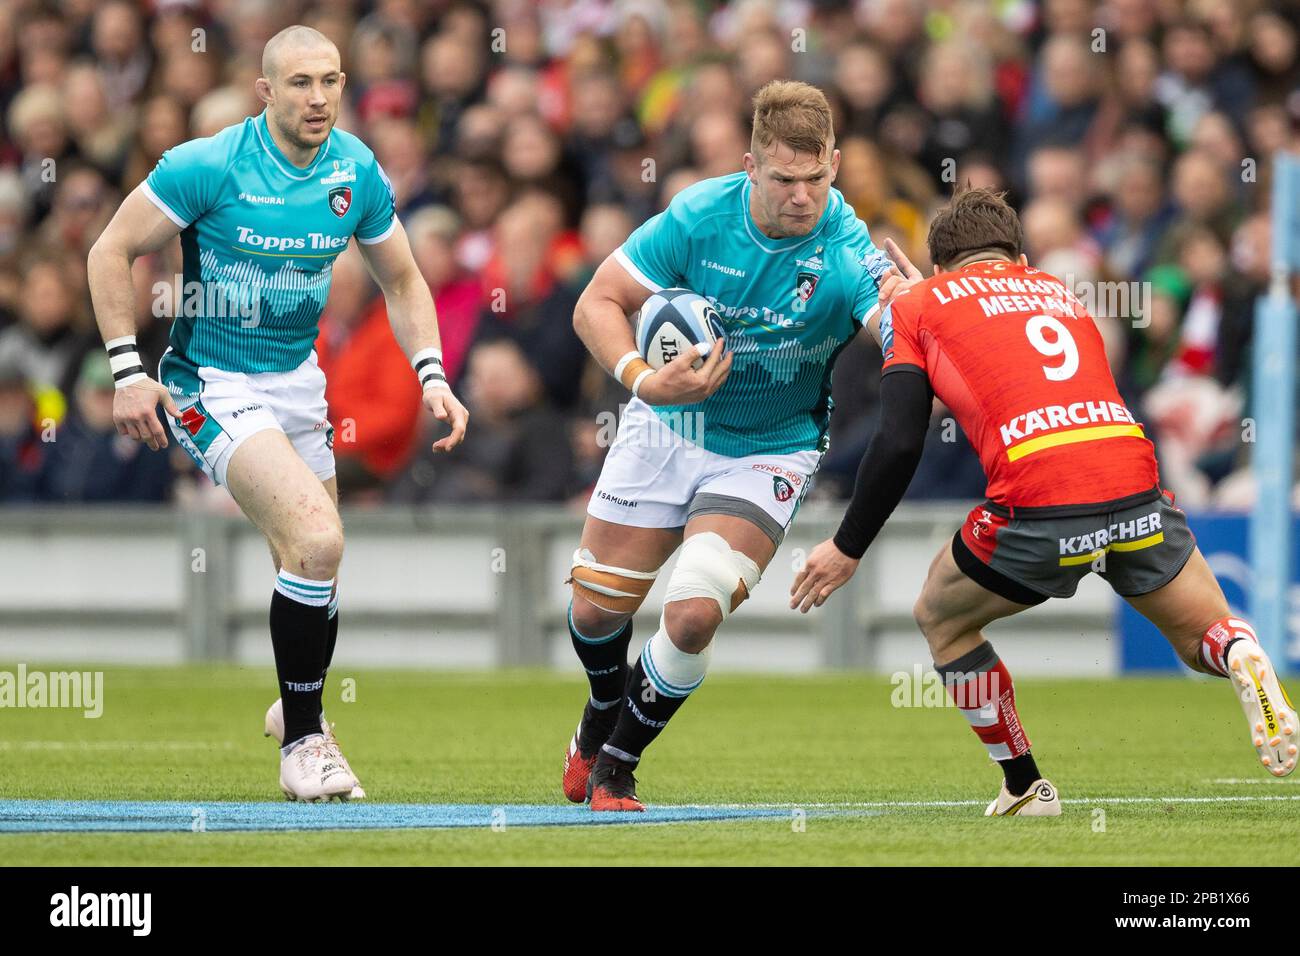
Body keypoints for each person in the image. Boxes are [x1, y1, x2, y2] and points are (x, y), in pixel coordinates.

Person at [791, 186, 1295, 816]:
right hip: (1132, 481)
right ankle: (1242, 652)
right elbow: (997, 347)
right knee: (1202, 639)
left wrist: (847, 546)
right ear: (1018, 255)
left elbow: (897, 440)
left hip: (1040, 498)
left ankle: (1026, 785)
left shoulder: (918, 304)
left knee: (940, 617)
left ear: (942, 264)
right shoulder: (1060, 292)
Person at [86, 25, 468, 802]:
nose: (319, 97)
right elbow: (110, 249)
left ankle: (295, 708)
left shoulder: (355, 168)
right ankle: (304, 745)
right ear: (266, 91)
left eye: (330, 80)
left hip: (299, 381)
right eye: (300, 83)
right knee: (319, 540)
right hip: (210, 382)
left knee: (315, 564)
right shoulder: (210, 163)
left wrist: (431, 373)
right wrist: (128, 372)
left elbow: (401, 280)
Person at [563, 79, 908, 811]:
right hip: (666, 426)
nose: (801, 196)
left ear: (835, 167)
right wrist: (643, 381)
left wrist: (918, 315)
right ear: (751, 167)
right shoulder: (696, 216)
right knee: (595, 614)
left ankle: (617, 765)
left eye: (816, 179)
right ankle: (600, 711)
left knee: (691, 613)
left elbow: (896, 336)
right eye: (784, 179)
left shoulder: (847, 247)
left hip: (769, 445)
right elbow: (597, 301)